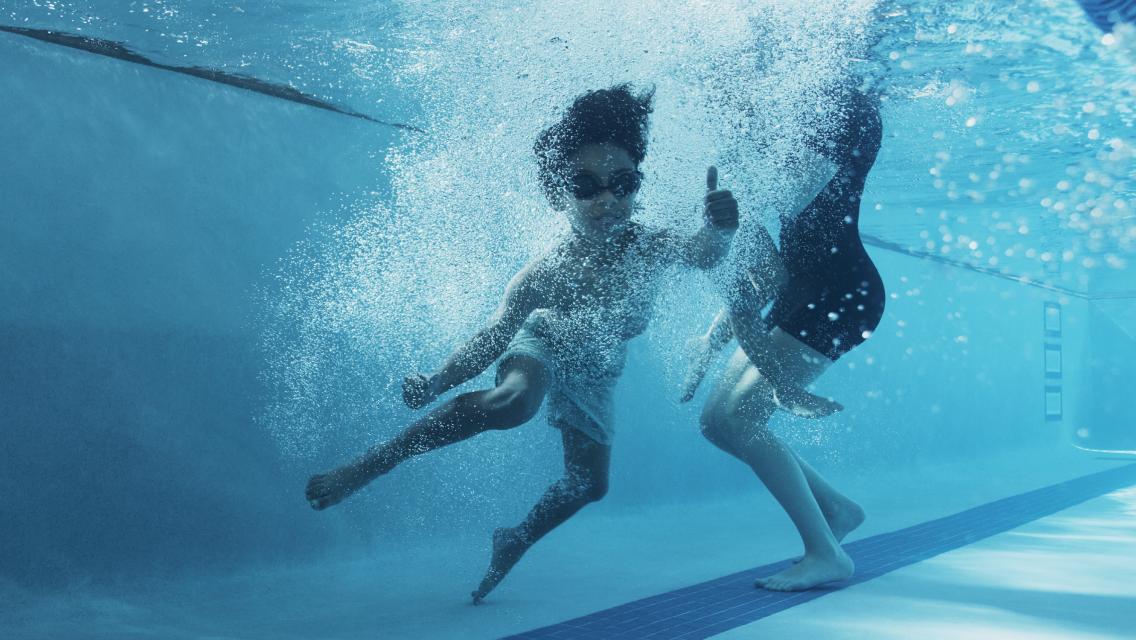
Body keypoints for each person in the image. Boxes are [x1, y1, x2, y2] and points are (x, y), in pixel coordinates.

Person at [305, 84, 740, 603]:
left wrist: (720, 229)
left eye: (623, 183)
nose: (607, 199)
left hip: (598, 366)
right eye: (586, 185)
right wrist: (438, 379)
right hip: (545, 344)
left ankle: (515, 539)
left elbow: (702, 255)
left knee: (589, 485)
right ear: (559, 192)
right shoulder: (546, 273)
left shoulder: (649, 246)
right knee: (513, 403)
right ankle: (379, 459)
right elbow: (495, 335)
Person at [682, 81, 885, 591]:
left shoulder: (809, 143)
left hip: (840, 297)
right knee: (716, 422)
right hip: (809, 291)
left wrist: (773, 377)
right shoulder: (764, 173)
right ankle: (836, 512)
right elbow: (768, 276)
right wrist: (712, 337)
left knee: (739, 416)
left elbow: (753, 287)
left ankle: (825, 554)